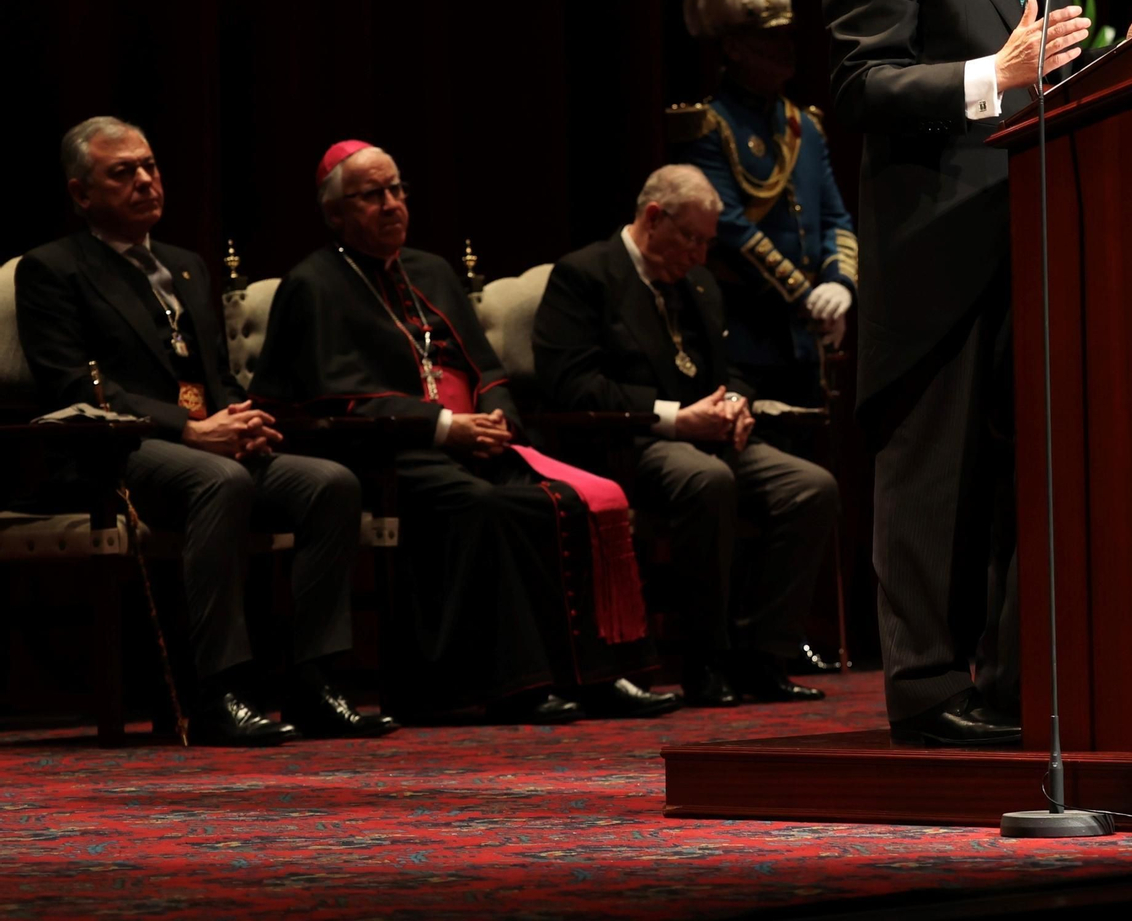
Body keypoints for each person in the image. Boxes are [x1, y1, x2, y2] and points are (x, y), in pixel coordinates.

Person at [821, 0, 1132, 746]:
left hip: (1032, 240)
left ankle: (1016, 681)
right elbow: (856, 86)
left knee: (1033, 473)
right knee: (931, 484)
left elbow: (1045, 85)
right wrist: (988, 72)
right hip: (931, 254)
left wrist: (1119, 71)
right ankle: (925, 691)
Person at [249, 141, 677, 723]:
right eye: (372, 195)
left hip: (470, 441)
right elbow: (336, 394)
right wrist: (446, 428)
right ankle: (506, 686)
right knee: (485, 504)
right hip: (386, 453)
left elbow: (487, 367)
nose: (392, 204)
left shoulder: (431, 270)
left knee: (564, 502)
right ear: (334, 214)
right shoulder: (313, 283)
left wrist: (497, 416)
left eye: (397, 190)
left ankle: (598, 676)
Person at [15, 117, 392, 746]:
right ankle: (217, 689)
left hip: (203, 441)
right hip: (115, 454)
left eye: (150, 167)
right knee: (220, 480)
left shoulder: (186, 265)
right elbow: (78, 388)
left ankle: (311, 678)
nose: (144, 181)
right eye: (123, 172)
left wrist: (240, 419)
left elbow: (212, 374)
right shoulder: (53, 270)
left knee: (329, 483)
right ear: (82, 194)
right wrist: (191, 430)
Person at [533, 165, 841, 706]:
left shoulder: (697, 282)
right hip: (626, 447)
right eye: (690, 238)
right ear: (654, 218)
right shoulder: (584, 274)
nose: (700, 255)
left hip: (707, 439)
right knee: (707, 480)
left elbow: (729, 370)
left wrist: (737, 403)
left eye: (706, 242)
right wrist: (676, 418)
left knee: (810, 486)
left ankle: (763, 655)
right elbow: (571, 386)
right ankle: (707, 659)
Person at [669, 0, 858, 410]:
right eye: (768, 40)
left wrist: (839, 286)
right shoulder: (707, 126)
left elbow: (835, 216)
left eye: (787, 37)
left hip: (809, 337)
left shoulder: (805, 124)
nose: (786, 51)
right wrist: (805, 294)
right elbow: (729, 225)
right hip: (745, 336)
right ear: (732, 47)